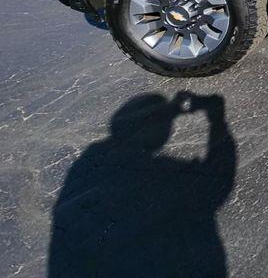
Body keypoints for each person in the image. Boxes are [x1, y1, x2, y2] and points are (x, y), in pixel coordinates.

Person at [48, 92, 235, 278]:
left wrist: (166, 113)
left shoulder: (91, 166)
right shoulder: (158, 177)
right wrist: (216, 120)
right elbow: (214, 184)